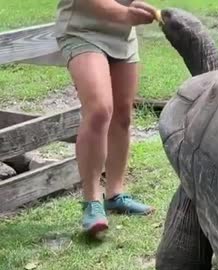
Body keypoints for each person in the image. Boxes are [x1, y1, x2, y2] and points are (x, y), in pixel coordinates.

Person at [54, 0, 159, 236]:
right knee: (100, 110)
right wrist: (124, 13)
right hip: (82, 30)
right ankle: (92, 201)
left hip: (122, 35)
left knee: (123, 116)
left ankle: (115, 194)